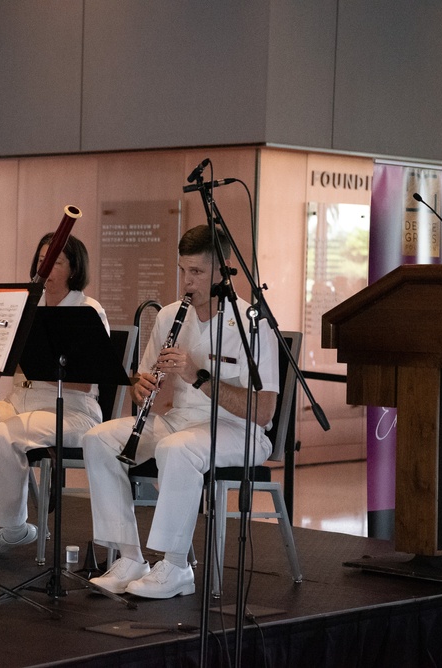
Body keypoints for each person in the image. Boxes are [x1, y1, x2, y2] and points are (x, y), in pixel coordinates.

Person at [84, 224, 278, 599]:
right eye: (183, 270)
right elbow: (147, 386)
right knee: (99, 439)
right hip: (179, 422)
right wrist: (141, 389)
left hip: (238, 430)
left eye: (198, 272)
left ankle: (175, 566)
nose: (187, 282)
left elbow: (264, 412)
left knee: (178, 449)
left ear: (223, 272)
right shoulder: (170, 315)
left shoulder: (254, 324)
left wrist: (198, 375)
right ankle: (130, 557)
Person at [0, 233, 109, 556]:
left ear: (73, 269)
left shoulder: (88, 311)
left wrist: (37, 360)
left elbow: (87, 382)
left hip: (71, 411)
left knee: (3, 436)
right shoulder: (28, 307)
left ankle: (13, 527)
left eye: (55, 261)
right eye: (43, 260)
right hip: (19, 404)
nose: (46, 268)